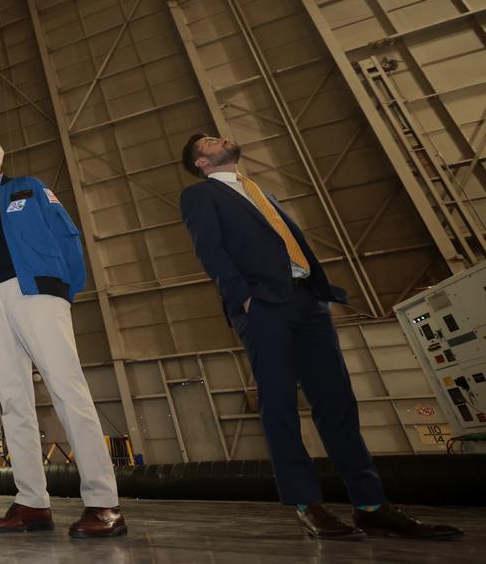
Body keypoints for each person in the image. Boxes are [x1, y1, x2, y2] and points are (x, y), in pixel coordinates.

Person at [179, 134, 463, 541]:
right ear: (201, 163)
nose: (219, 138)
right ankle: (306, 503)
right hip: (263, 306)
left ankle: (370, 505)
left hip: (308, 301)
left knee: (337, 401)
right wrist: (243, 297)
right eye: (208, 141)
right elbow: (209, 250)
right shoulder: (200, 195)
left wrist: (315, 292)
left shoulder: (260, 192)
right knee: (279, 402)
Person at [0, 135, 125, 538]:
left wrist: (62, 289)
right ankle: (32, 502)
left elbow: (67, 236)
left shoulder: (29, 188)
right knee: (13, 401)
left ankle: (103, 502)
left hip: (37, 293)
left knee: (68, 390)